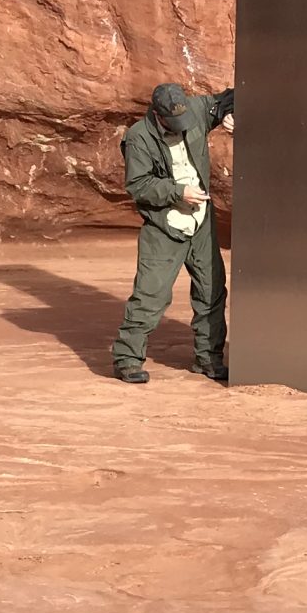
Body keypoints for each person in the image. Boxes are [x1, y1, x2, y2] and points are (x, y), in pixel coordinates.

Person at [112, 79, 234, 385]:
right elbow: (138, 185)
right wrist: (177, 191)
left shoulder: (195, 109)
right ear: (158, 115)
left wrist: (232, 114)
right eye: (173, 122)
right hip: (165, 224)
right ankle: (127, 359)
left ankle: (209, 359)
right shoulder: (138, 139)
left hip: (201, 222)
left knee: (211, 291)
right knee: (150, 295)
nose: (181, 126)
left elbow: (230, 98)